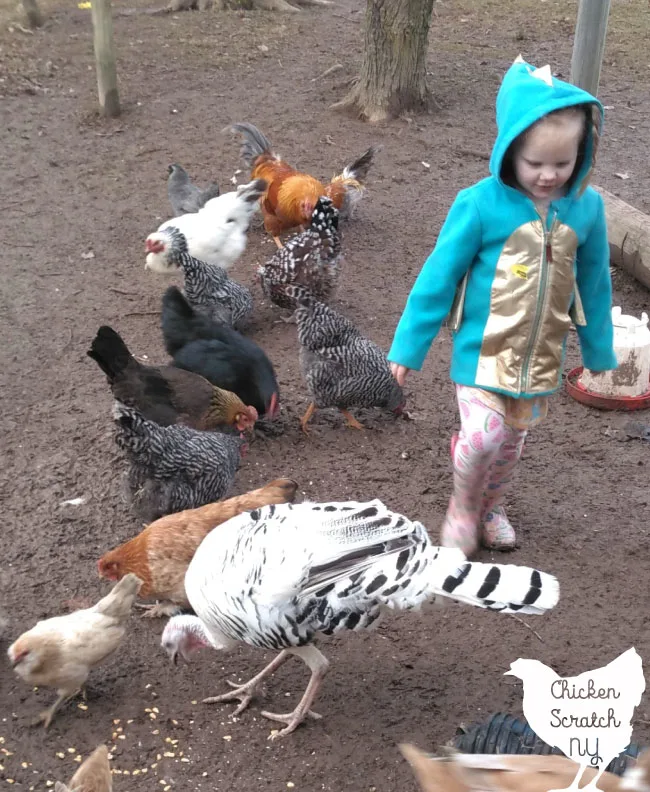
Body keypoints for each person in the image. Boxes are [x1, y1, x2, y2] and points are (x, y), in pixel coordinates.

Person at [388, 56, 617, 557]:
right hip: (482, 352)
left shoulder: (587, 208)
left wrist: (600, 353)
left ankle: (493, 507)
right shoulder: (479, 204)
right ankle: (463, 510)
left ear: (582, 153)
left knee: (510, 446)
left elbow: (595, 283)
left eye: (563, 163)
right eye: (535, 163)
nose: (548, 175)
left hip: (539, 360)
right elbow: (438, 276)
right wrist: (408, 347)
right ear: (509, 148)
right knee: (485, 436)